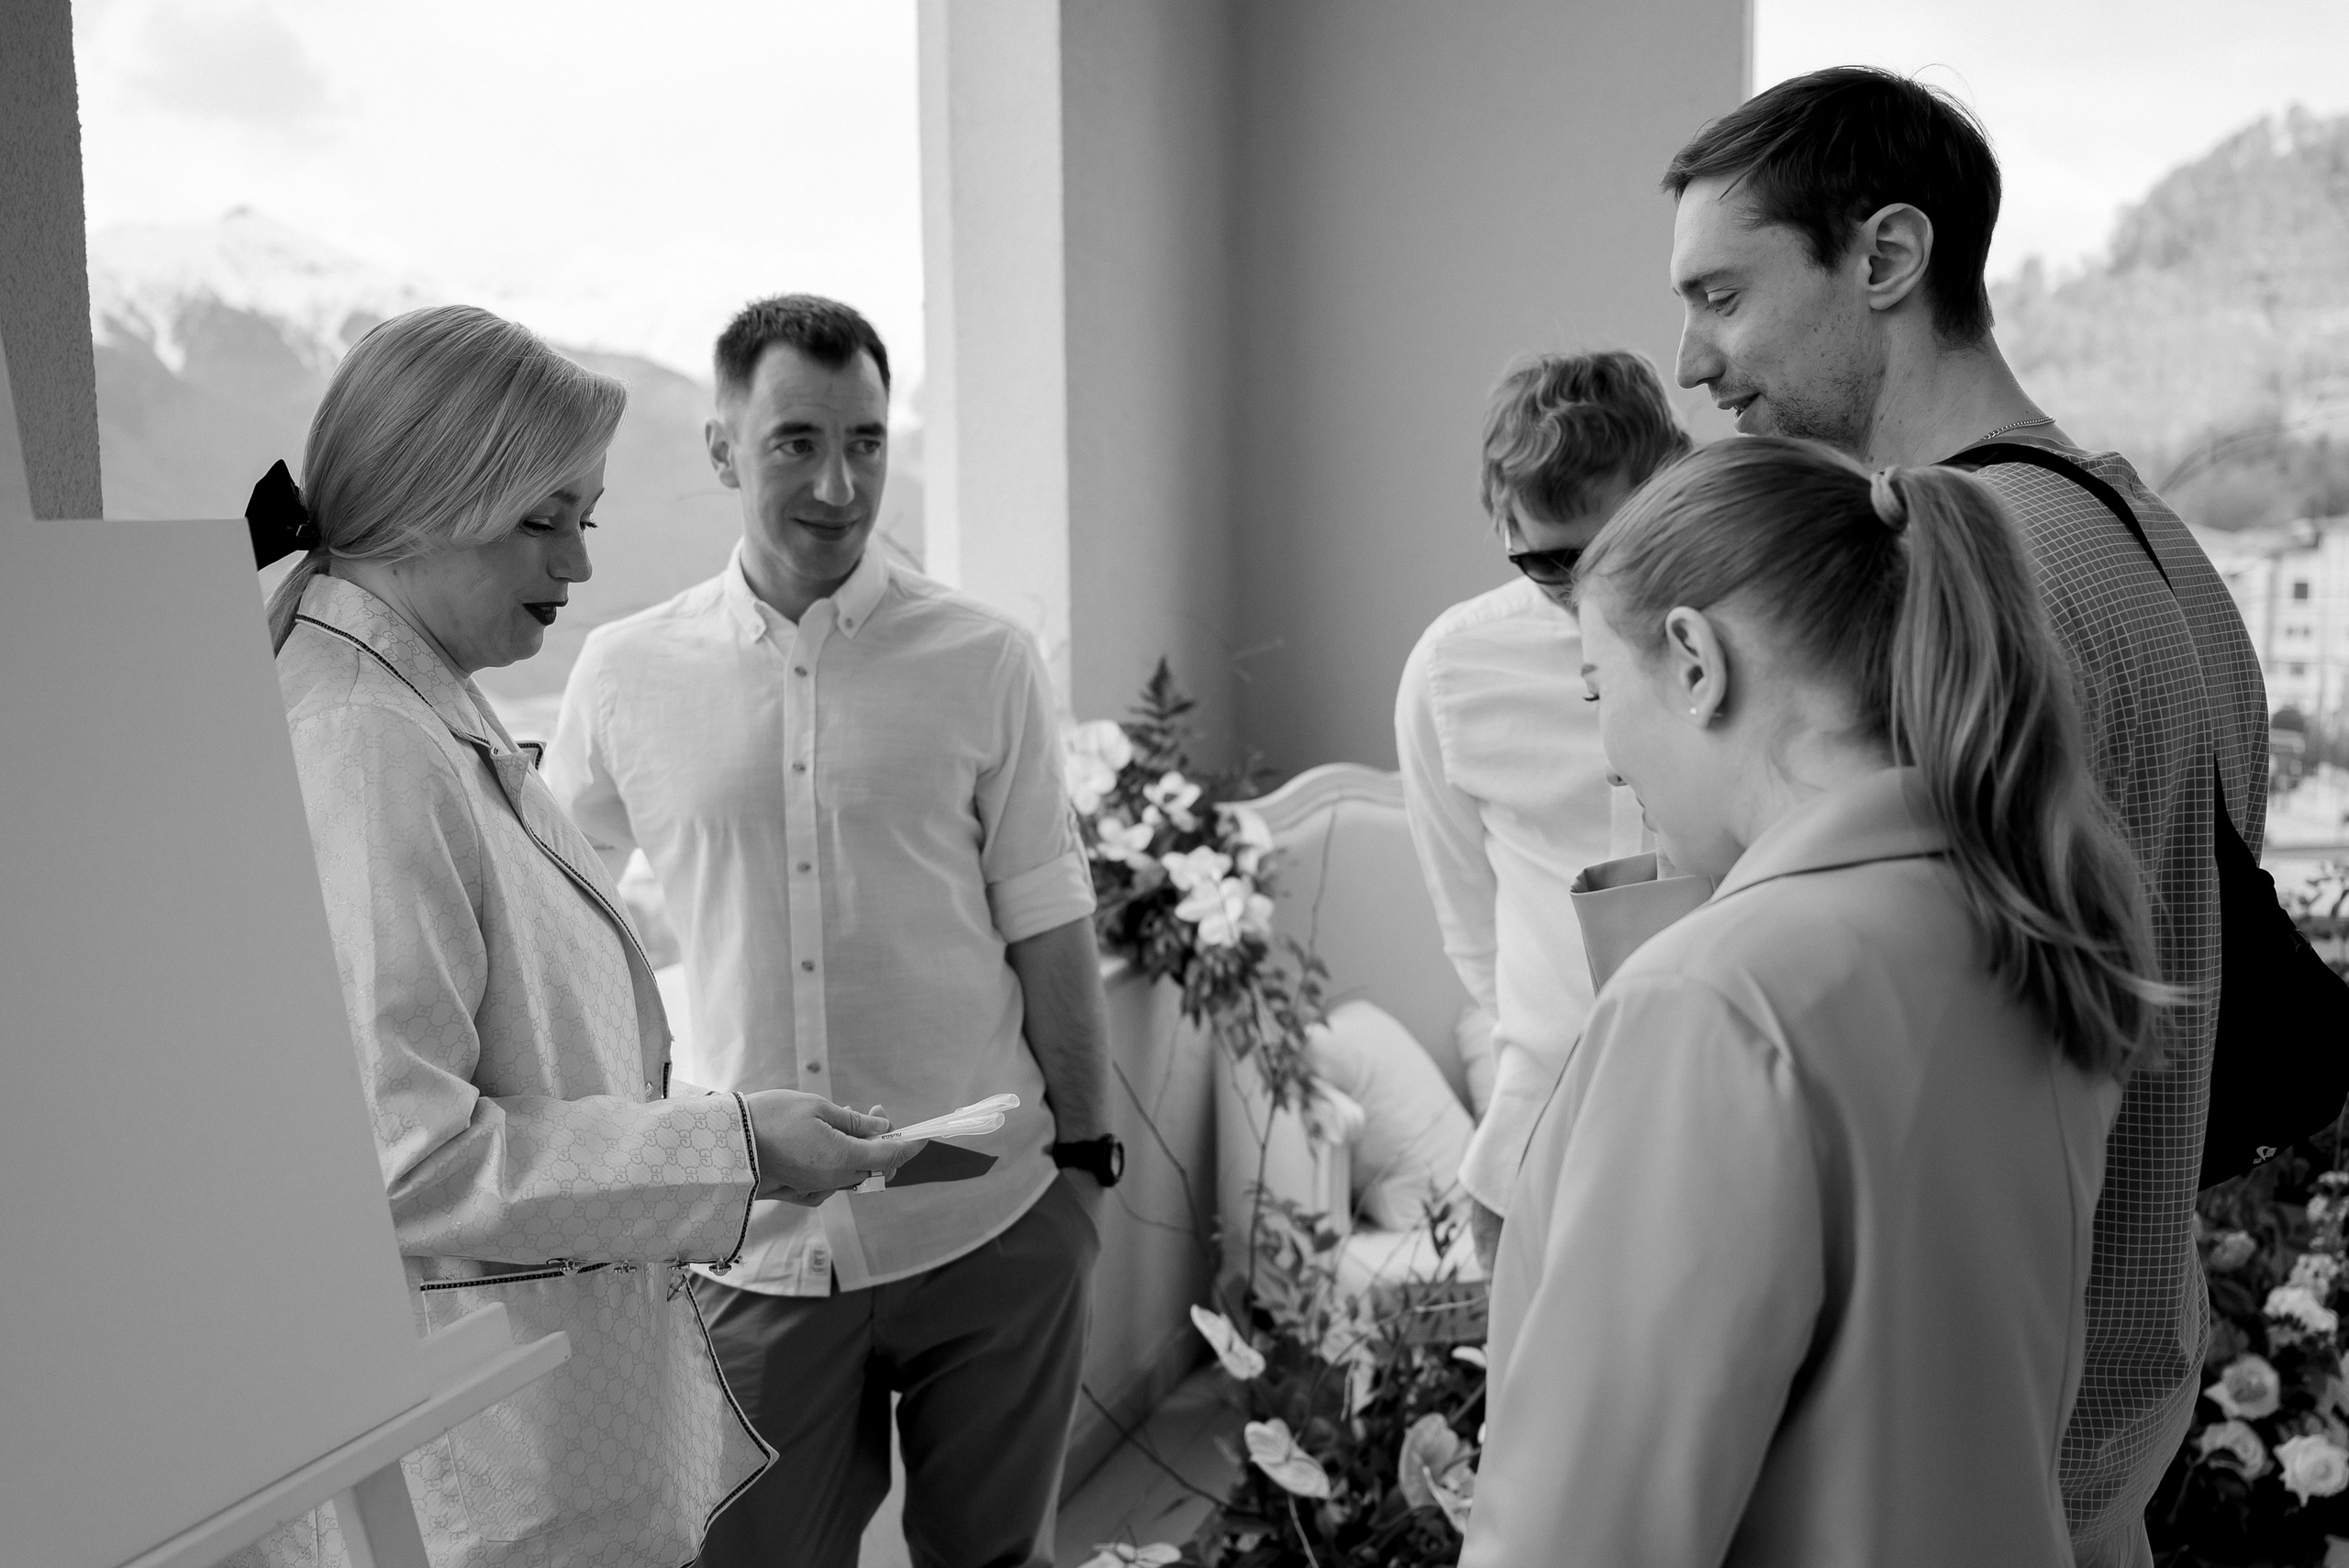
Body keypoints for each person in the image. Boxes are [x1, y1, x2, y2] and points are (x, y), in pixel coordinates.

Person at [1660, 70, 2267, 1563]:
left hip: (1960, 1469)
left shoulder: (1960, 581)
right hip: (2094, 1438)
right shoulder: (2149, 537)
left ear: (1883, 259)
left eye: (1725, 295)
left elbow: (1878, 1059)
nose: (1692, 362)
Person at [239, 304, 916, 1568]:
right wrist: (733, 1145)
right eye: (544, 522)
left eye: (585, 519)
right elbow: (410, 1159)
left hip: (539, 1420)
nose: (581, 565)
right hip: (489, 1459)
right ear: (429, 504)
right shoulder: (368, 748)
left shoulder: (414, 705)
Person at [1464, 437, 2166, 1565]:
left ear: (1694, 660)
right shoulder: (2034, 921)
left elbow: (1587, 1533)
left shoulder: (1716, 1006)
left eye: (1598, 687)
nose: (1604, 758)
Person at [545, 294, 1111, 1568]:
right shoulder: (626, 674)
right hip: (754, 1246)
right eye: (797, 440)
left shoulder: (984, 658)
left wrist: (1087, 1167)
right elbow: (554, 927)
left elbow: (1048, 920)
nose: (839, 482)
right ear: (723, 449)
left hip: (988, 1219)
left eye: (865, 439)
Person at [1394, 350, 1689, 1272]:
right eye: (1547, 560)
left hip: (1715, 1119)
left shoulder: (1750, 634)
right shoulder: (1449, 672)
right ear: (1498, 522)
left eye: (1611, 546)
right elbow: (1468, 919)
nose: (1584, 584)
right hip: (1531, 1148)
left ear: (1670, 484)